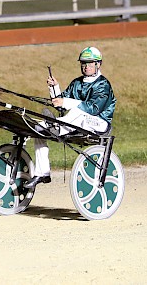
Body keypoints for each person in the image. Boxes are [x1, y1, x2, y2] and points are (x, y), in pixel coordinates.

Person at [24, 46, 116, 189]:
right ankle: (43, 172)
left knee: (78, 114)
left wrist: (66, 102)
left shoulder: (103, 85)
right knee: (40, 131)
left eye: (90, 63)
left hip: (99, 123)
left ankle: (54, 126)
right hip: (75, 123)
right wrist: (54, 88)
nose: (86, 67)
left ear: (98, 64)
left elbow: (93, 108)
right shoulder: (77, 83)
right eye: (83, 63)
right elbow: (60, 104)